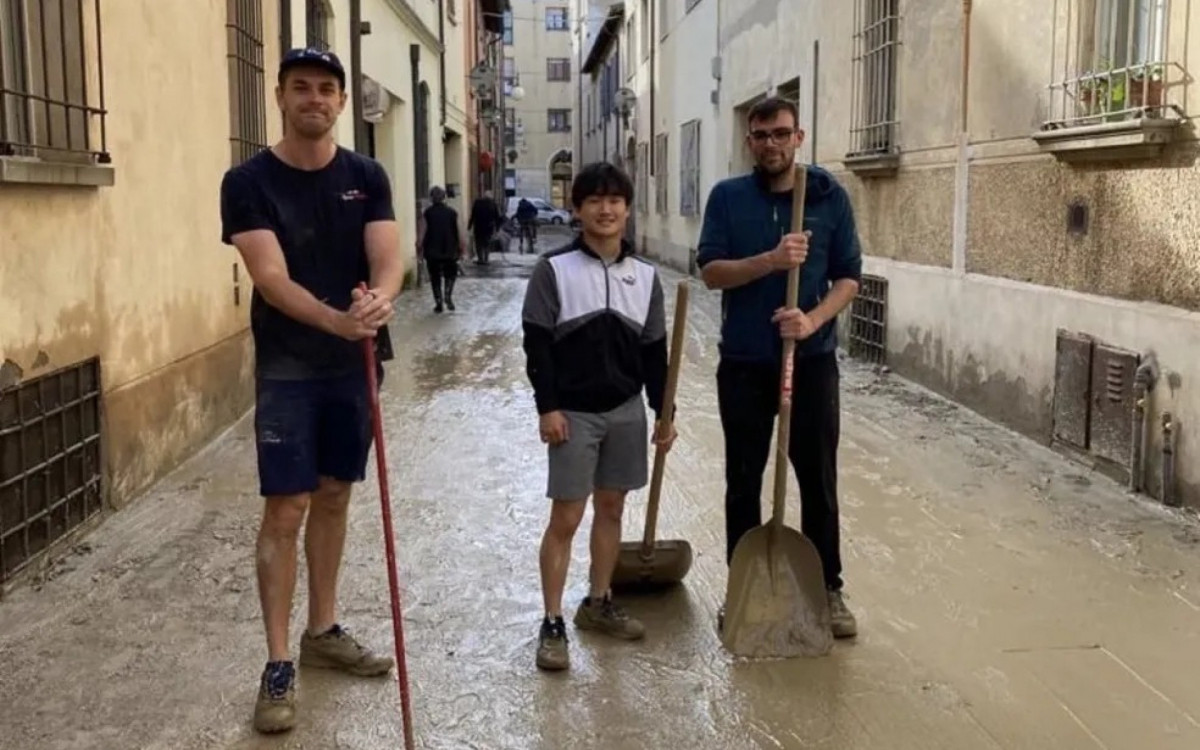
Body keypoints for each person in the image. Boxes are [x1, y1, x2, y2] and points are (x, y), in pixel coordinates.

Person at [219, 47, 404, 734]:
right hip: (290, 365)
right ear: (280, 97)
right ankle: (276, 663)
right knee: (286, 509)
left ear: (340, 101)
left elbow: (389, 259)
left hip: (354, 366)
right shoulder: (248, 181)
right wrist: (337, 320)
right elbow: (269, 276)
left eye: (328, 89)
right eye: (302, 88)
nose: (316, 100)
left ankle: (321, 630)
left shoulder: (367, 175)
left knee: (333, 496)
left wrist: (378, 305)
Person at [696, 96, 862, 639]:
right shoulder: (727, 198)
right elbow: (712, 273)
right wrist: (771, 260)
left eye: (781, 133)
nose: (772, 143)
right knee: (743, 481)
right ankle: (742, 591)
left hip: (809, 364)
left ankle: (828, 588)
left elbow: (848, 279)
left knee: (818, 481)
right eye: (761, 134)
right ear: (749, 141)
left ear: (800, 136)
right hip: (744, 362)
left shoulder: (829, 197)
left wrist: (811, 321)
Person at [521, 162, 677, 671]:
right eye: (594, 200)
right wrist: (548, 408)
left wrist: (663, 413)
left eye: (615, 200)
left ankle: (599, 601)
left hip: (626, 411)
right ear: (577, 209)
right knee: (566, 516)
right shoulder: (554, 270)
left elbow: (657, 353)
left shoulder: (646, 276)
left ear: (628, 209)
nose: (605, 209)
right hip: (573, 413)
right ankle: (551, 622)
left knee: (612, 509)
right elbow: (537, 347)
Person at [417, 185, 466, 312]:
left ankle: (439, 302)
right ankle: (448, 295)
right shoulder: (452, 213)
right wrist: (462, 248)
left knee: (435, 277)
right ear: (444, 198)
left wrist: (419, 247)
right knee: (450, 275)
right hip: (450, 251)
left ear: (432, 198)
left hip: (432, 252)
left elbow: (422, 233)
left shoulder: (427, 213)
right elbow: (459, 232)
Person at [467, 189, 503, 264]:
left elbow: (473, 215)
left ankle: (480, 259)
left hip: (478, 227)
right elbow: (497, 217)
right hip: (488, 227)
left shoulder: (477, 203)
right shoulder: (493, 204)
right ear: (491, 197)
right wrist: (497, 228)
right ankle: (486, 259)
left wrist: (469, 226)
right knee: (487, 243)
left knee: (478, 243)